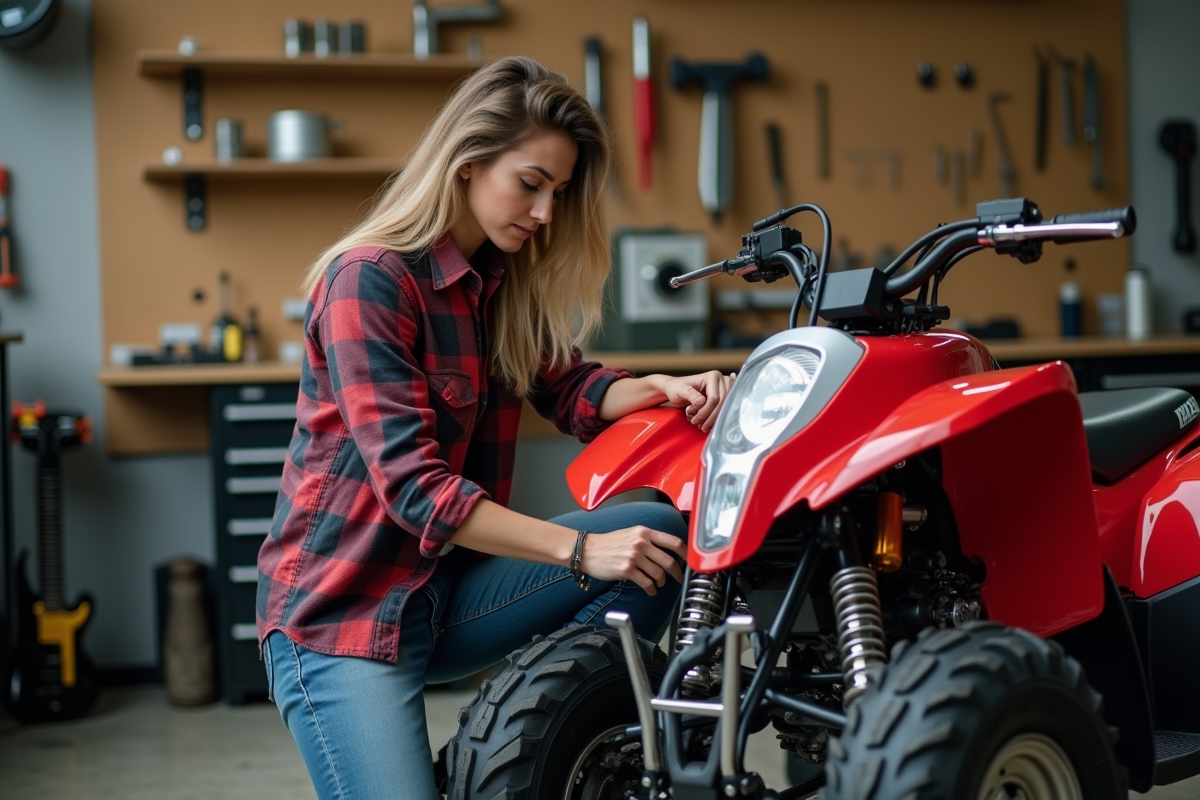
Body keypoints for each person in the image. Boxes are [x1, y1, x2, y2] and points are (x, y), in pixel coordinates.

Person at [256, 56, 733, 800]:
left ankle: (545, 741)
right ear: (467, 164)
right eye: (531, 183)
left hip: (442, 599)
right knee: (614, 548)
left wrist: (661, 390)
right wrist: (582, 550)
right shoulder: (368, 281)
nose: (545, 212)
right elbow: (418, 493)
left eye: (559, 192)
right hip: (344, 622)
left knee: (652, 535)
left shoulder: (496, 283)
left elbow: (569, 386)